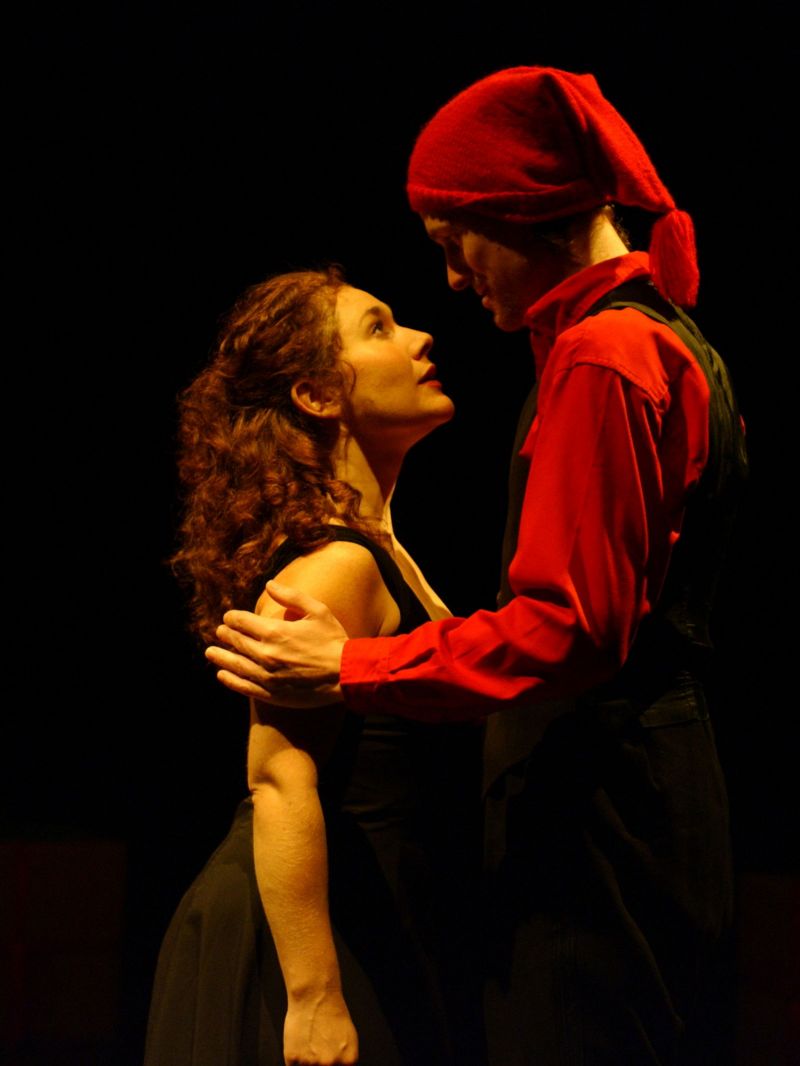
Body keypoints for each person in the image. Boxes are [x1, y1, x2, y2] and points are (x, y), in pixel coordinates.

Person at [206, 67, 748, 1065]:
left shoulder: (602, 357)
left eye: (457, 246)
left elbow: (569, 628)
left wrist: (354, 667)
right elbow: (278, 779)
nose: (451, 285)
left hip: (602, 821)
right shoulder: (663, 343)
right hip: (635, 805)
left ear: (521, 207)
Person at [144, 267, 486, 1066]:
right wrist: (313, 995)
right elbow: (279, 779)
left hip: (367, 923)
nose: (420, 337)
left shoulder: (380, 551)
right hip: (300, 943)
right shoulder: (337, 565)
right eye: (379, 327)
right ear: (317, 395)